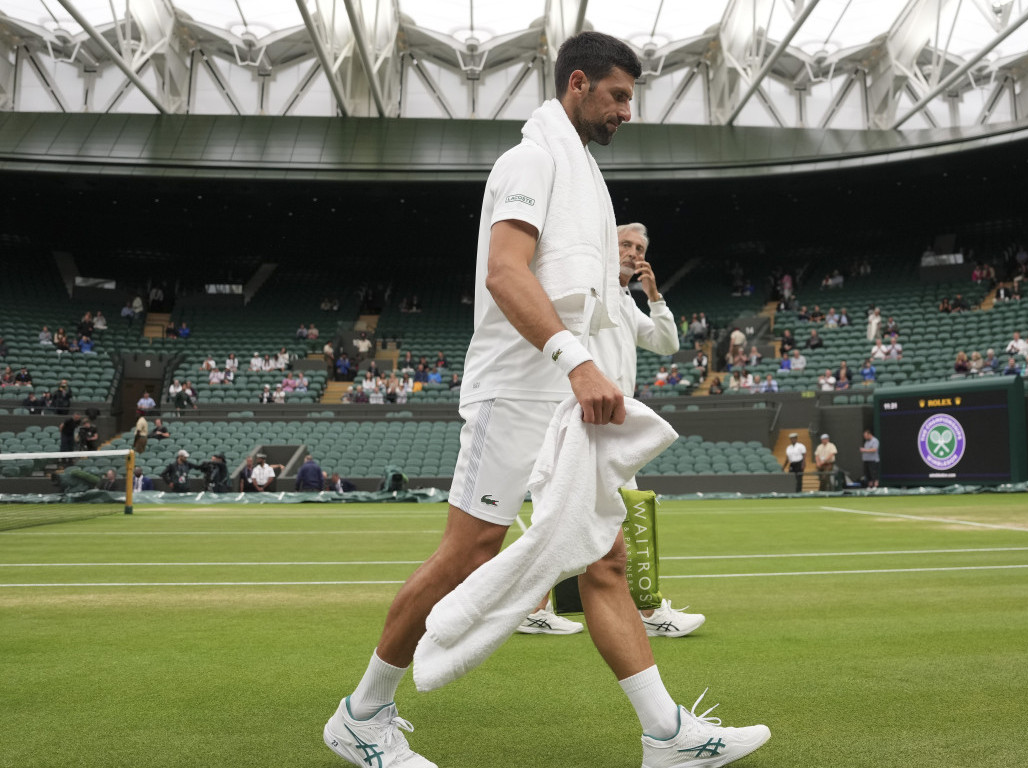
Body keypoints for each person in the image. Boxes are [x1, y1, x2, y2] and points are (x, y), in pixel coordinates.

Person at [324, 34, 767, 768]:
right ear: (578, 83)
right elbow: (505, 272)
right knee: (470, 550)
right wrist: (577, 361)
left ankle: (667, 737)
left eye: (632, 99)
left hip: (566, 394)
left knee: (605, 558)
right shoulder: (530, 160)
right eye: (618, 95)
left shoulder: (583, 172)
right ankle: (361, 716)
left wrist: (588, 369)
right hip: (518, 389)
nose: (627, 111)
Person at [521, 222, 703, 639]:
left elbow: (667, 344)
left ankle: (533, 607)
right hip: (590, 416)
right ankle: (649, 610)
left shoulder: (626, 302)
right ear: (607, 246)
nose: (634, 252)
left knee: (565, 518)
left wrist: (654, 296)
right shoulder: (592, 290)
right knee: (626, 512)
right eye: (625, 244)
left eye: (639, 247)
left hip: (612, 421)